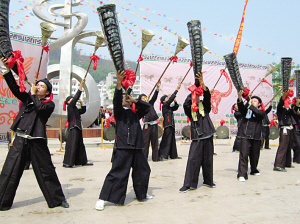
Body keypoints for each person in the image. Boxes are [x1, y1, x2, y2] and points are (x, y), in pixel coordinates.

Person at [0, 57, 68, 210]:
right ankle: (1, 201)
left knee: (47, 171)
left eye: (41, 86)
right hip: (20, 138)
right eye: (37, 84)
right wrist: (6, 70)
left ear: (47, 92)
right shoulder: (27, 98)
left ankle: (57, 200)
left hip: (37, 141)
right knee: (9, 169)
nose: (37, 86)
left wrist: (32, 94)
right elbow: (14, 87)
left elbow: (39, 109)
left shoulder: (49, 104)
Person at [95, 70, 152, 211]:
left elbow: (148, 107)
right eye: (124, 99)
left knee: (143, 171)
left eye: (127, 99)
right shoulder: (119, 113)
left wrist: (135, 101)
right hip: (123, 147)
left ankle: (141, 193)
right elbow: (116, 101)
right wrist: (119, 85)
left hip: (137, 147)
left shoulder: (136, 113)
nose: (125, 100)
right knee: (117, 172)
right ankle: (103, 199)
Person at [179, 72, 216, 193]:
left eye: (198, 95)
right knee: (193, 159)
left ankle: (208, 181)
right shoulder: (190, 109)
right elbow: (186, 104)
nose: (198, 97)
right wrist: (193, 91)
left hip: (208, 133)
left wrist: (203, 85)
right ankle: (189, 184)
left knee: (208, 159)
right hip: (197, 135)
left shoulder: (205, 106)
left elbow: (207, 97)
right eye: (196, 95)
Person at [62, 79, 93, 168]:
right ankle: (68, 162)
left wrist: (82, 102)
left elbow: (83, 110)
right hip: (73, 127)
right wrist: (80, 87)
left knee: (80, 144)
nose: (74, 100)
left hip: (78, 127)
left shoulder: (74, 109)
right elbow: (75, 99)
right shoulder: (70, 107)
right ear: (68, 102)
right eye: (71, 99)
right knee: (72, 144)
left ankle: (82, 161)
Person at [236, 90, 265, 181]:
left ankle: (253, 169)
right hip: (245, 135)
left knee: (255, 155)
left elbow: (259, 114)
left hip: (256, 137)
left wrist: (250, 105)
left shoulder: (261, 112)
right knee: (244, 155)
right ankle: (242, 174)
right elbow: (241, 108)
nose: (252, 102)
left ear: (259, 104)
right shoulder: (246, 111)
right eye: (251, 100)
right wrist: (240, 98)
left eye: (255, 101)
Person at [274, 90, 296, 172]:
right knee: (283, 146)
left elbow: (294, 114)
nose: (289, 101)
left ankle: (287, 162)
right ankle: (278, 164)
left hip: (290, 128)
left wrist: (290, 108)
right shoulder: (280, 109)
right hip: (284, 128)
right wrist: (284, 96)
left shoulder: (288, 109)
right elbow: (280, 104)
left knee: (289, 145)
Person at [158, 83, 182, 160]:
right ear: (163, 101)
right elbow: (170, 100)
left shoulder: (169, 107)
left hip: (171, 125)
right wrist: (176, 90)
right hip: (167, 125)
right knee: (166, 140)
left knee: (172, 141)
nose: (168, 99)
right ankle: (162, 155)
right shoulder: (164, 106)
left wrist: (175, 102)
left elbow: (176, 107)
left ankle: (173, 155)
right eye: (167, 98)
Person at [140, 80, 161, 162]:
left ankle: (156, 158)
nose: (145, 99)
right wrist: (145, 102)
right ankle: (144, 158)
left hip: (154, 125)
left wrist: (157, 88)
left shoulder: (150, 103)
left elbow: (154, 97)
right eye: (143, 98)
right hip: (146, 125)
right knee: (145, 142)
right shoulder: (141, 105)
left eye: (145, 97)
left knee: (155, 142)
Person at [292, 97, 300, 164]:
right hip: (296, 128)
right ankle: (296, 159)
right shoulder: (293, 107)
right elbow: (294, 114)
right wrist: (297, 104)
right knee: (297, 144)